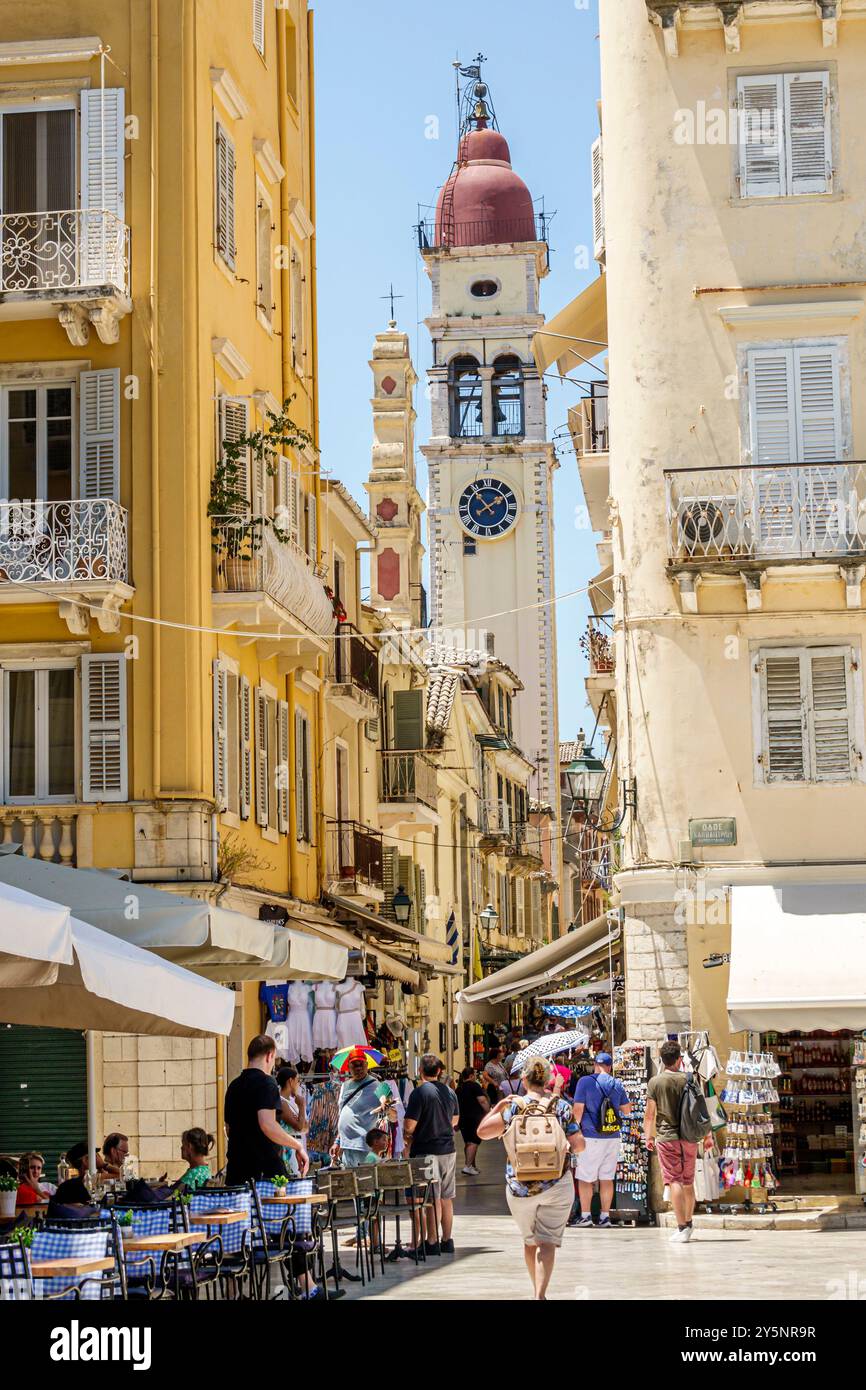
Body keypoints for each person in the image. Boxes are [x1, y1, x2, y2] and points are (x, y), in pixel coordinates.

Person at [478, 1056, 584, 1301]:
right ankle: (540, 1295)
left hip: (520, 1187)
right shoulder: (561, 1107)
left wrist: (497, 1108)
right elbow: (579, 1146)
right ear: (548, 1080)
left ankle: (535, 1289)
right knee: (547, 1242)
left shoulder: (513, 1106)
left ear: (523, 1079)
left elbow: (482, 1132)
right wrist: (564, 1146)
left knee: (530, 1241)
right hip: (557, 1184)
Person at [224, 1034, 310, 1185]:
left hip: (236, 1170)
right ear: (270, 1056)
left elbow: (228, 1129)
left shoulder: (234, 1085)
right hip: (264, 1172)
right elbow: (267, 1124)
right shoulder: (267, 1083)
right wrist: (297, 1146)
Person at [403, 1054, 460, 1255]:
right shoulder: (450, 1092)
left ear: (420, 1072)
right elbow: (455, 1120)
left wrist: (408, 1136)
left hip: (426, 1151)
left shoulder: (419, 1094)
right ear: (439, 1071)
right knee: (446, 1197)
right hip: (448, 1150)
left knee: (430, 1197)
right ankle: (447, 1240)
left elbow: (410, 1125)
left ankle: (432, 1241)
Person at [644, 1039, 701, 1244]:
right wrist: (708, 1136)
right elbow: (701, 1109)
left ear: (662, 1060)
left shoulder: (655, 1082)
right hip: (689, 1137)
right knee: (688, 1181)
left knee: (674, 1180)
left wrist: (648, 1136)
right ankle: (689, 1221)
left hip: (667, 1136)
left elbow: (650, 1115)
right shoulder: (689, 1079)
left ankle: (682, 1227)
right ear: (679, 1059)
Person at [572, 1051, 632, 1228]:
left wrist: (574, 1132)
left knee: (585, 1178)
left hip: (590, 1136)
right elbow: (627, 1110)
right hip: (612, 1137)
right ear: (610, 1066)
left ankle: (586, 1216)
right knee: (606, 1178)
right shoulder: (616, 1083)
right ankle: (605, 1217)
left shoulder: (585, 1082)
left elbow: (578, 1110)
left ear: (595, 1065)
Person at [331, 1047, 396, 1167]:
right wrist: (337, 1142)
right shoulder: (345, 1086)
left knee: (364, 1182)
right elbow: (343, 1115)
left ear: (367, 1065)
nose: (358, 1068)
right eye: (354, 1065)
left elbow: (393, 1115)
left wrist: (386, 1106)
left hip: (363, 1147)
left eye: (361, 1064)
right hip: (346, 1146)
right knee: (349, 1183)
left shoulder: (377, 1085)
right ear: (349, 1068)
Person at [456, 1066, 489, 1175]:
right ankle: (468, 1166)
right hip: (475, 1118)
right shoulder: (474, 1086)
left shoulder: (459, 1088)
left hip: (463, 1119)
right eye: (474, 1075)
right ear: (471, 1076)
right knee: (474, 1142)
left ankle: (472, 1166)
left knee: (468, 1142)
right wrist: (489, 1112)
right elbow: (482, 1101)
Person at [277, 1065, 308, 1177]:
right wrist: (302, 1107)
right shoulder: (282, 1102)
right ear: (290, 1081)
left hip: (296, 1145)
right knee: (293, 1177)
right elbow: (299, 1127)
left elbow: (305, 1126)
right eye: (297, 1081)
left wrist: (300, 1120)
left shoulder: (290, 1102)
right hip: (288, 1148)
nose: (298, 1084)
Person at [50, 1143, 93, 1208]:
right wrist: (104, 1165)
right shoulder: (76, 1185)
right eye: (95, 1156)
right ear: (85, 1160)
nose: (99, 1158)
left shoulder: (66, 1186)